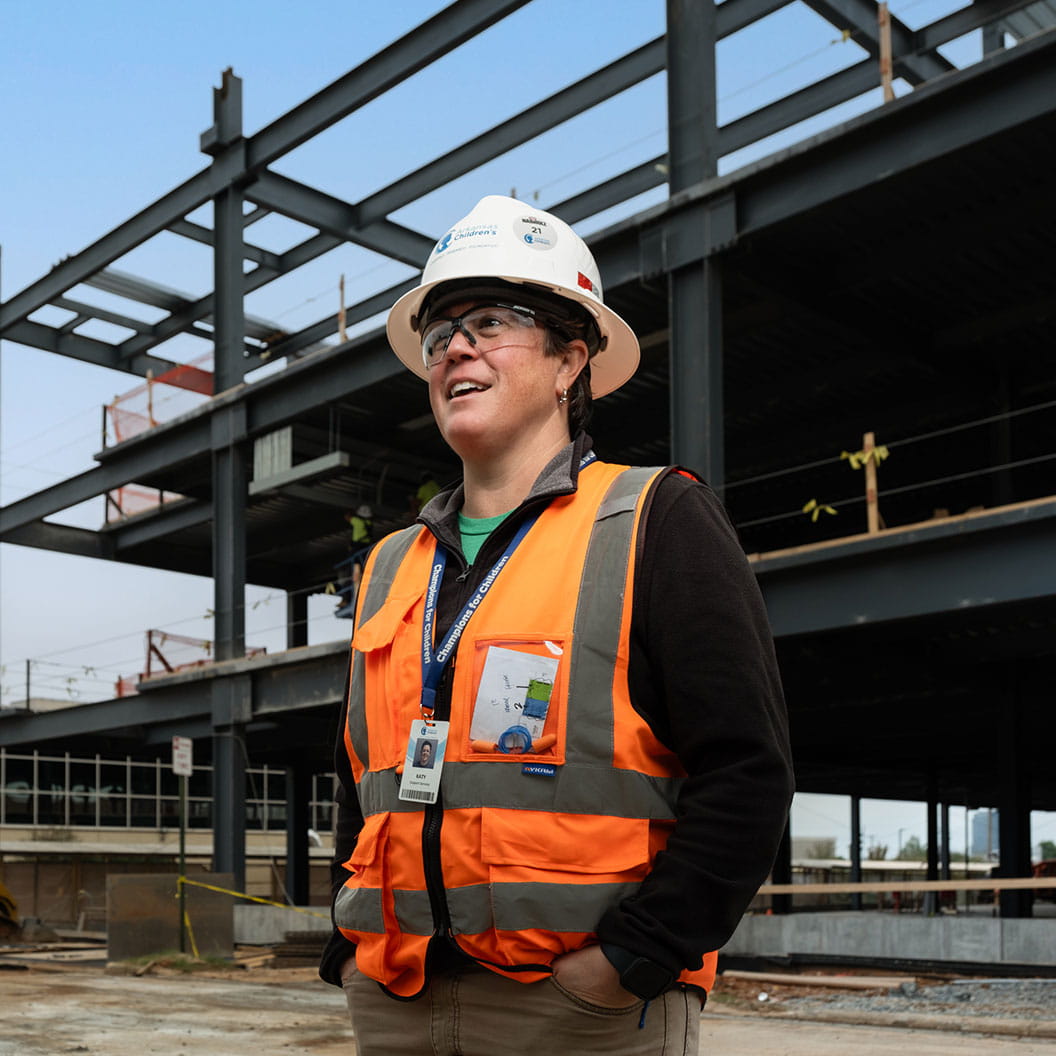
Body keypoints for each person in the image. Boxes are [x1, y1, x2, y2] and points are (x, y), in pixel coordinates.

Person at [319, 195, 793, 1055]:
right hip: (397, 998)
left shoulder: (655, 519)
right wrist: (346, 944)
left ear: (571, 359)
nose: (455, 347)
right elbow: (366, 783)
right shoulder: (392, 566)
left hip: (578, 1009)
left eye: (491, 322)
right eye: (438, 334)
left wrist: (630, 959)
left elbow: (748, 773)